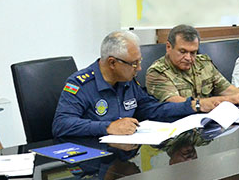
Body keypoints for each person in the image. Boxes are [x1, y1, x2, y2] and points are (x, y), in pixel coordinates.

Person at [52, 30, 196, 139]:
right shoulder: (81, 84)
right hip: (93, 158)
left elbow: (150, 108)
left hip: (124, 152)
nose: (139, 68)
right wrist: (108, 127)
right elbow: (61, 125)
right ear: (112, 63)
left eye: (139, 61)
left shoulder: (127, 80)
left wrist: (193, 106)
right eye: (134, 63)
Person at [144, 24, 239, 107]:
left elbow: (229, 90)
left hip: (207, 126)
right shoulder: (157, 72)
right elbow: (176, 103)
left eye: (193, 52)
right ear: (169, 47)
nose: (188, 58)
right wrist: (225, 100)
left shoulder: (203, 63)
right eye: (183, 51)